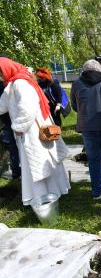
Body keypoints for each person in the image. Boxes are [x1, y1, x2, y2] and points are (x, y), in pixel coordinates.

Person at [0, 57, 70, 205]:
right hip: (32, 131)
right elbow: (3, 104)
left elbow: (28, 110)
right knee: (44, 163)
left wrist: (17, 127)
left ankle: (43, 197)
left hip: (32, 132)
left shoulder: (20, 83)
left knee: (38, 165)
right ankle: (52, 193)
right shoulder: (15, 82)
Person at [71, 59, 101, 199]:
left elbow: (74, 105)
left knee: (94, 159)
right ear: (99, 68)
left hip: (87, 126)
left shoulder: (77, 83)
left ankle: (97, 192)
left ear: (84, 70)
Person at [0, 81, 21, 179]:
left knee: (12, 147)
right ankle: (17, 171)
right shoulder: (7, 85)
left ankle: (15, 172)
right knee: (16, 146)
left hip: (7, 120)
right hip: (12, 119)